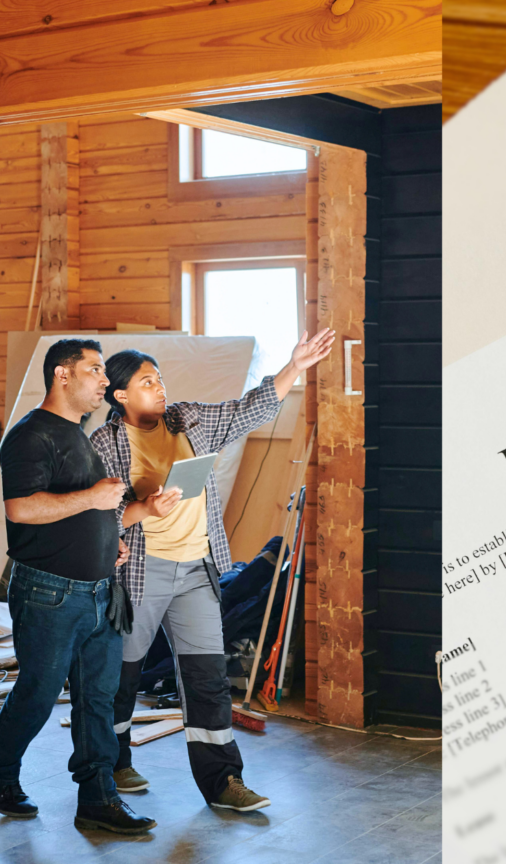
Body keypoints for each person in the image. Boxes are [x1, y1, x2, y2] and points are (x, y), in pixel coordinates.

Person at [92, 328, 336, 813]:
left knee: (206, 677)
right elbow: (97, 515)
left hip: (197, 569)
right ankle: (112, 763)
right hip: (142, 572)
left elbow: (250, 408)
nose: (159, 388)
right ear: (119, 396)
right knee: (123, 674)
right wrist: (145, 507)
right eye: (146, 382)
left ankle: (224, 781)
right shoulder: (105, 443)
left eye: (159, 379)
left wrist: (295, 366)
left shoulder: (189, 420)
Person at [0, 338, 157, 835]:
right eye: (95, 371)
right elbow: (22, 509)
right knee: (38, 692)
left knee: (98, 699)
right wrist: (95, 499)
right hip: (49, 593)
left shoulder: (80, 434)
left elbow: (85, 510)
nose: (104, 380)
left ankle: (98, 799)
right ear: (62, 375)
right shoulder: (31, 436)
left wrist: (110, 543)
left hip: (100, 590)